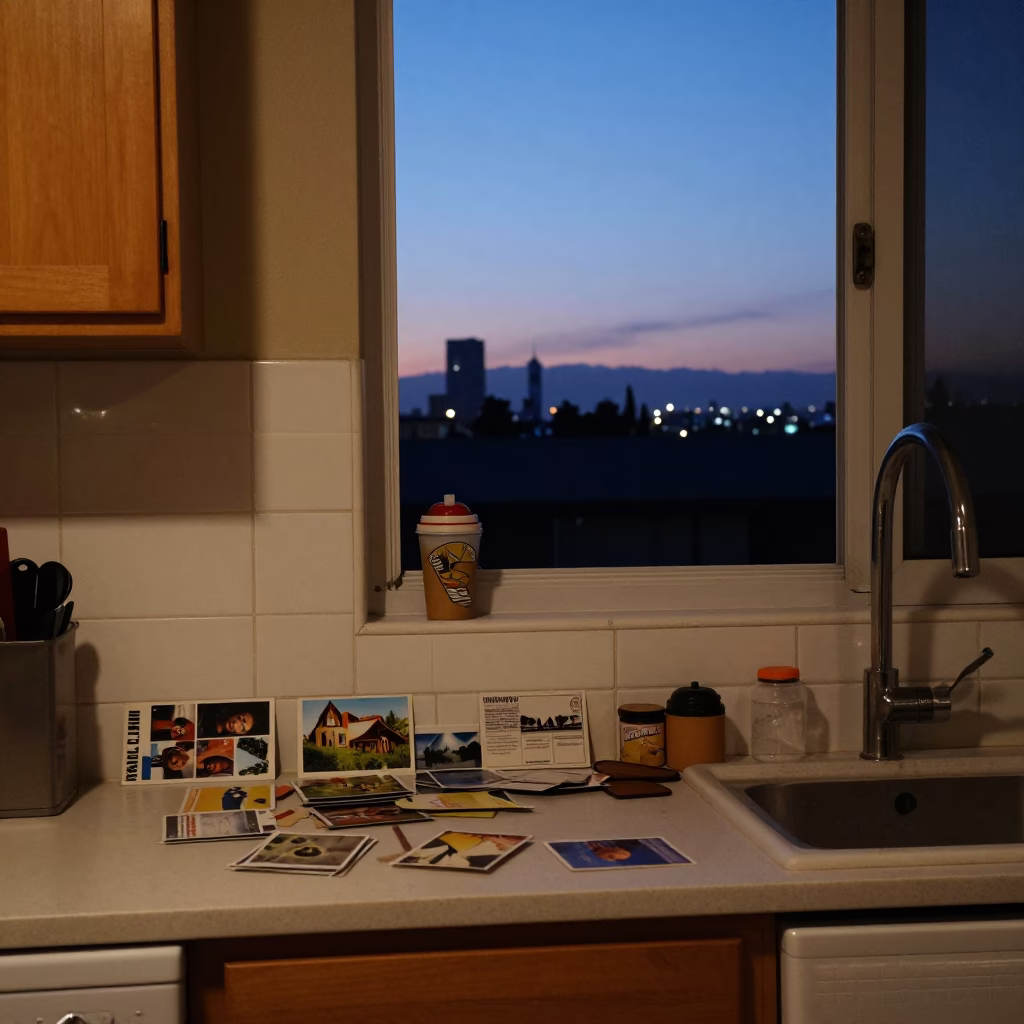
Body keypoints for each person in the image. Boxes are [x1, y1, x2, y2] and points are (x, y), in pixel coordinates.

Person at [197, 702, 269, 738]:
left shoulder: (219, 741)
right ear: (236, 712)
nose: (235, 724)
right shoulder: (210, 709)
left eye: (242, 727)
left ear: (242, 734)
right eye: (240, 718)